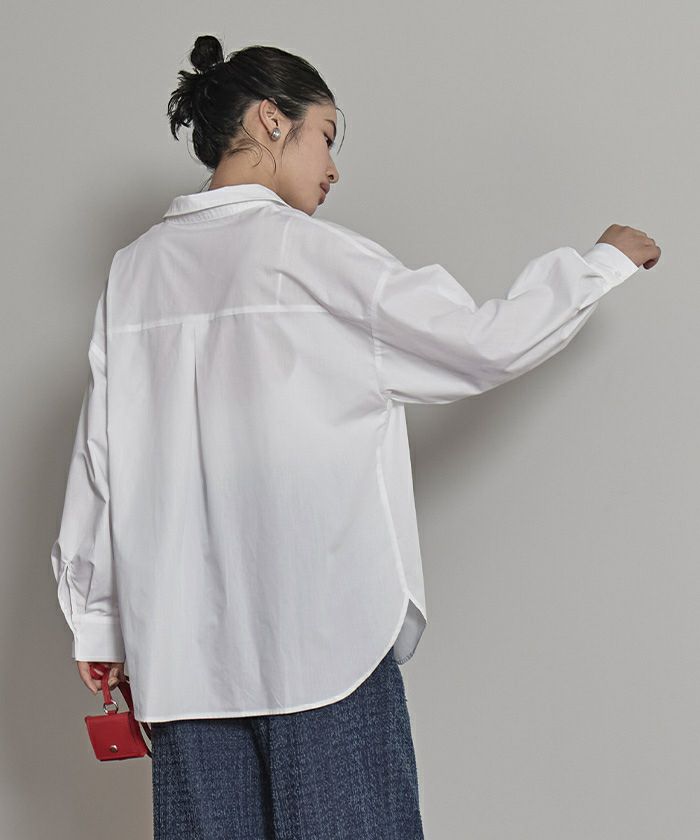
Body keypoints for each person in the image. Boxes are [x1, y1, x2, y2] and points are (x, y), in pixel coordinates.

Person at [49, 35, 660, 840]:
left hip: (182, 664)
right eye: (326, 135)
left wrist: (97, 621)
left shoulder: (133, 273)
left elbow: (100, 460)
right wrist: (601, 264)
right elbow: (478, 343)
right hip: (321, 643)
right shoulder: (314, 256)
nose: (333, 167)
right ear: (272, 120)